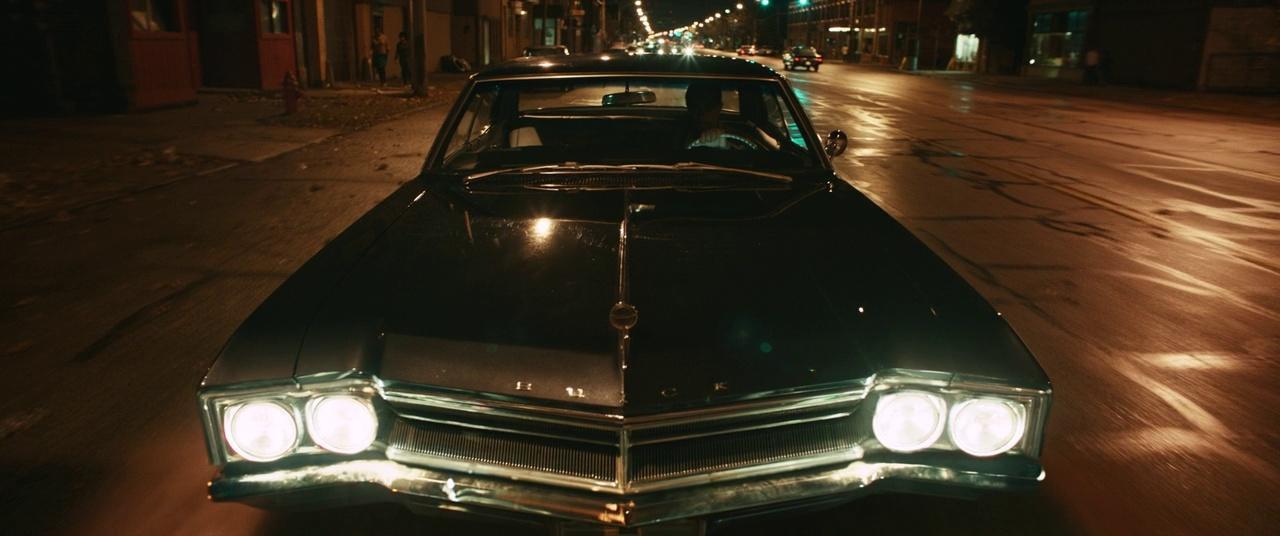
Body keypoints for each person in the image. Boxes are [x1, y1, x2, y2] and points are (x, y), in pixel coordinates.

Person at [683, 81, 728, 148]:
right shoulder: (678, 135)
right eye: (695, 107)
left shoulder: (735, 136)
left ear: (719, 107)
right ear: (689, 108)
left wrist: (726, 145)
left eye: (708, 107)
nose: (702, 114)